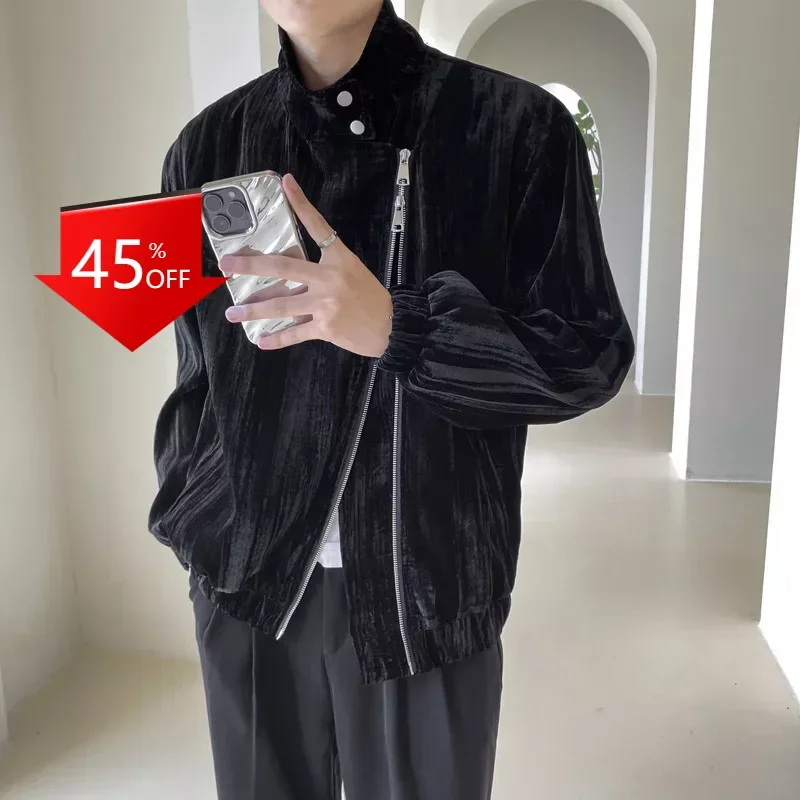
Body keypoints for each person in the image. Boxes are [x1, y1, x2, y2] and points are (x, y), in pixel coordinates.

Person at [149, 1, 634, 798]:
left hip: (427, 596)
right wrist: (196, 510)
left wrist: (402, 329)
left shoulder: (516, 128)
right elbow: (198, 373)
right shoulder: (206, 145)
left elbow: (589, 354)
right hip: (246, 587)